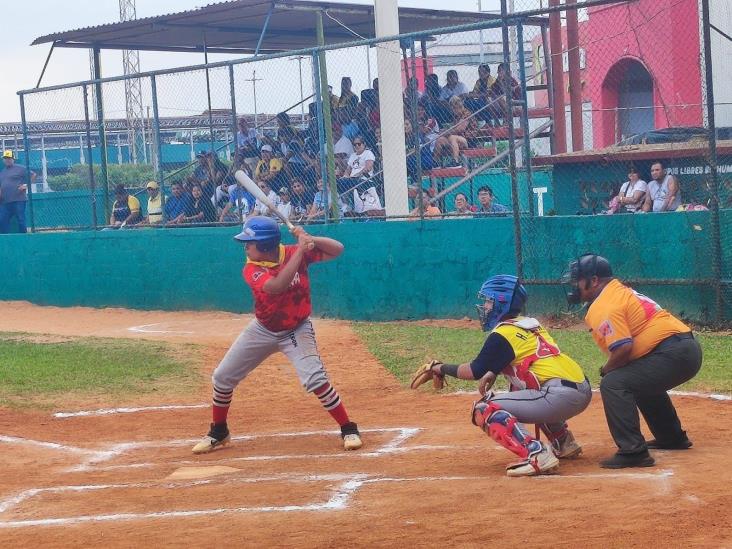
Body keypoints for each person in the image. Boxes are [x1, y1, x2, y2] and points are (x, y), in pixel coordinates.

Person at [192, 217, 363, 454]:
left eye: (250, 243)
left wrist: (309, 239)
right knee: (222, 377)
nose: (245, 247)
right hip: (263, 329)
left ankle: (348, 427)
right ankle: (219, 430)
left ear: (264, 245)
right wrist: (300, 253)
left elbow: (337, 249)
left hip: (296, 328)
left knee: (315, 378)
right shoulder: (251, 267)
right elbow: (277, 286)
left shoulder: (294, 252)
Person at [425, 275, 591, 476]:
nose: (485, 306)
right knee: (527, 388)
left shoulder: (502, 334)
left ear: (500, 303)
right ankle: (563, 441)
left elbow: (474, 371)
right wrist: (494, 370)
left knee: (484, 408)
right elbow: (520, 357)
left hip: (558, 396)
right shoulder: (528, 324)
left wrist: (440, 368)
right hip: (581, 388)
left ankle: (536, 453)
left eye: (488, 301)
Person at [562, 254, 702, 468]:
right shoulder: (617, 291)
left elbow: (623, 349)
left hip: (673, 353)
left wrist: (606, 369)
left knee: (614, 382)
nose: (575, 285)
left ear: (595, 280)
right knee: (634, 377)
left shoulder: (605, 304)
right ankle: (671, 437)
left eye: (578, 279)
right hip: (682, 350)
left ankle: (633, 451)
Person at [0, 150, 35, 234]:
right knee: (2, 220)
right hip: (5, 202)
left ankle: (23, 238)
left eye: (9, 158)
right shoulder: (2, 172)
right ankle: (6, 240)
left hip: (18, 200)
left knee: (21, 220)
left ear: (13, 159)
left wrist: (26, 186)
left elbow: (33, 175)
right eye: (5, 158)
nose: (7, 160)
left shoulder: (20, 168)